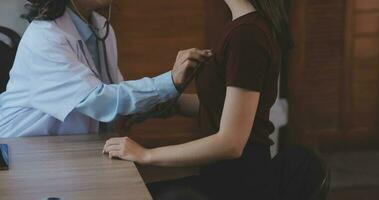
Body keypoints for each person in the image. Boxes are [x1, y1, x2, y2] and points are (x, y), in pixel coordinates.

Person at [102, 0, 327, 199]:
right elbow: (231, 108)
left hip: (238, 186)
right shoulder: (246, 27)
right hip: (227, 178)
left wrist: (146, 154)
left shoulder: (247, 35)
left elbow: (231, 143)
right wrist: (170, 105)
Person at [0, 0, 211, 138]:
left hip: (69, 148)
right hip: (21, 149)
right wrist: (169, 82)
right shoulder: (45, 36)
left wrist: (173, 100)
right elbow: (97, 100)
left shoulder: (102, 28)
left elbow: (115, 95)